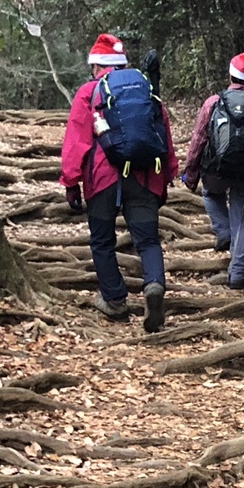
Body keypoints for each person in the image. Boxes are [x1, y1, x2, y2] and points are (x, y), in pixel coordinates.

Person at [59, 33, 176, 332]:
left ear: (97, 65)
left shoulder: (89, 91)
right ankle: (153, 285)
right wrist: (169, 172)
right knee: (148, 240)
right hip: (145, 175)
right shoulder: (145, 89)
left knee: (102, 241)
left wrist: (71, 181)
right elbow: (162, 132)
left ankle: (115, 301)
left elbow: (77, 139)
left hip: (103, 177)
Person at [181, 52, 244, 291]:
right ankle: (236, 275)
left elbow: (198, 140)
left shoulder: (213, 103)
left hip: (216, 169)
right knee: (243, 221)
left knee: (209, 195)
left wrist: (191, 174)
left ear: (231, 75)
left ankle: (223, 232)